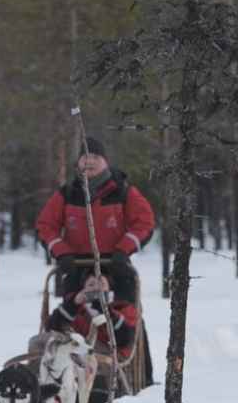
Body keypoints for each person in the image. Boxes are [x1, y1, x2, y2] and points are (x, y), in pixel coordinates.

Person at [35, 136, 156, 361]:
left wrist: (124, 249)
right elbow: (45, 225)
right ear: (78, 163)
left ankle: (135, 371)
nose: (89, 162)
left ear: (106, 162)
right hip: (76, 266)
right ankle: (72, 367)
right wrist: (61, 252)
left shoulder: (122, 190)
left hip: (115, 265)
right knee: (74, 314)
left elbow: (145, 222)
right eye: (84, 157)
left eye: (95, 157)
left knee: (128, 319)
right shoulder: (68, 193)